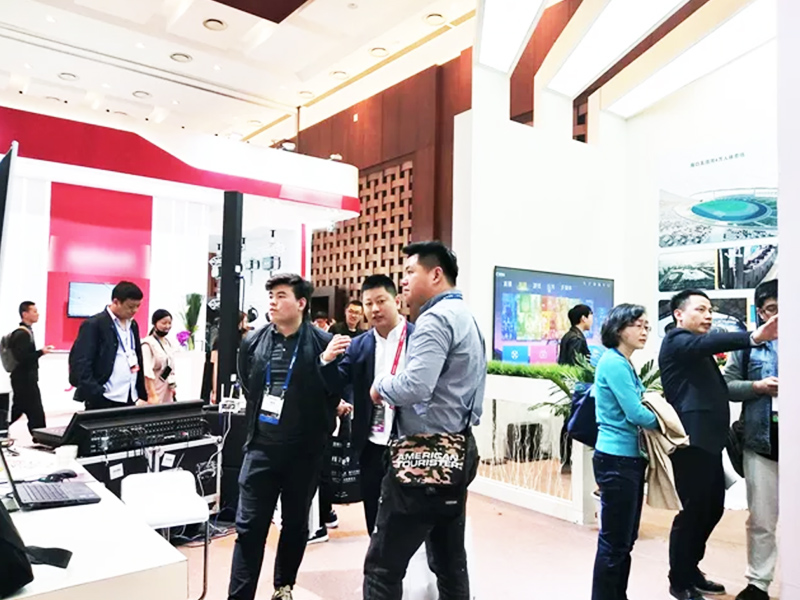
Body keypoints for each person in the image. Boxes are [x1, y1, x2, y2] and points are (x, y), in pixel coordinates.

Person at [363, 241, 485, 600]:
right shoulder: (466, 317)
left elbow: (416, 386)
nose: (403, 281)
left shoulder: (434, 319)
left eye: (409, 272)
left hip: (423, 458)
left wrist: (381, 385)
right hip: (457, 449)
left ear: (435, 275)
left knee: (382, 567)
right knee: (449, 562)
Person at [227, 274, 344, 600]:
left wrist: (324, 365)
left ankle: (283, 586)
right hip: (261, 448)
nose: (273, 302)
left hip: (304, 453)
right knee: (249, 528)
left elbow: (333, 390)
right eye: (271, 296)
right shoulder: (254, 341)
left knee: (295, 525)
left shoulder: (323, 342)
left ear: (301, 303)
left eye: (281, 296)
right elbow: (248, 383)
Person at [659, 289, 778, 600]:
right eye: (700, 309)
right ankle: (679, 579)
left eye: (710, 310)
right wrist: (754, 336)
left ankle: (690, 569)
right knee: (693, 511)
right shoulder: (677, 340)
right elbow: (709, 343)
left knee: (711, 509)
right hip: (691, 442)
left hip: (709, 442)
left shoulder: (694, 347)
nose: (708, 315)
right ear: (679, 315)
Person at [321, 274, 415, 535]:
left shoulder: (418, 338)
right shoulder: (359, 345)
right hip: (371, 443)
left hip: (410, 440)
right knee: (374, 514)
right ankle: (378, 558)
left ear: (397, 301)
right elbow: (335, 383)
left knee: (411, 515)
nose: (375, 309)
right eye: (368, 303)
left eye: (381, 301)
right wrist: (326, 360)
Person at [591, 304, 658, 600]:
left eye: (646, 326)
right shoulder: (615, 363)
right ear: (619, 329)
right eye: (638, 325)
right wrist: (667, 420)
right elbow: (635, 412)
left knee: (624, 539)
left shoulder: (622, 361)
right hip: (617, 459)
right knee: (615, 541)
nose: (644, 331)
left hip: (625, 458)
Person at [724, 280, 779, 600]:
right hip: (761, 443)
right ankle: (758, 583)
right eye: (772, 309)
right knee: (762, 519)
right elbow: (727, 386)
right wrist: (757, 387)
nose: (779, 315)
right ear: (760, 312)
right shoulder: (747, 346)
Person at [69, 281, 147, 410]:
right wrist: (95, 391)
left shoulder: (133, 325)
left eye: (138, 306)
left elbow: (137, 356)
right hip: (105, 397)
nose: (134, 310)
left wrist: (140, 391)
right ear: (116, 302)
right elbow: (81, 362)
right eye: (130, 306)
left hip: (129, 395)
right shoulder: (94, 324)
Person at [557, 303, 593, 472]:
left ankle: (566, 460)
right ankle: (567, 461)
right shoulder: (576, 339)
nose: (592, 319)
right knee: (571, 423)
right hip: (575, 386)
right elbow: (577, 364)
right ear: (583, 318)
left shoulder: (570, 336)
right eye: (590, 315)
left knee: (568, 422)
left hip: (569, 385)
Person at [9, 302, 54, 433]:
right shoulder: (22, 334)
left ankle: (39, 437)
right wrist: (41, 352)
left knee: (19, 410)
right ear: (25, 314)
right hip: (25, 380)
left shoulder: (25, 332)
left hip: (24, 379)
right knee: (35, 413)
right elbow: (22, 358)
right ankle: (41, 437)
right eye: (34, 311)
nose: (37, 314)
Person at [210, 311, 250, 403]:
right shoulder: (220, 340)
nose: (248, 324)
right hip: (226, 381)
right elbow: (215, 366)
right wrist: (215, 390)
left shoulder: (245, 339)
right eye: (245, 321)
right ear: (239, 323)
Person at [141, 309, 177, 404]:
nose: (167, 326)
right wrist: (152, 395)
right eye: (164, 323)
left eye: (169, 323)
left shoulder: (169, 343)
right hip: (153, 391)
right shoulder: (147, 344)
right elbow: (147, 372)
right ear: (155, 323)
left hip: (167, 391)